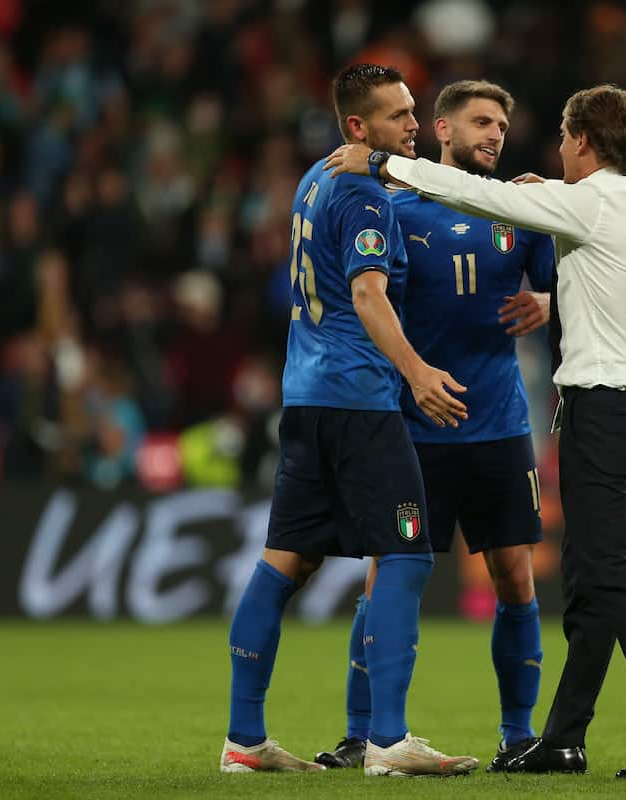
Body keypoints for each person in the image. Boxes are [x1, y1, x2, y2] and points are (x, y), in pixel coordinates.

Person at [326, 83, 626, 782]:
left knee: (607, 575)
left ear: (580, 141)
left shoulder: (576, 201)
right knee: (589, 586)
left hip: (599, 413)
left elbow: (492, 201)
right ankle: (564, 735)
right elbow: (603, 274)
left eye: (560, 137)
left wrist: (385, 165)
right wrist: (552, 295)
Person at [220, 63, 478, 778]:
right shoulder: (364, 193)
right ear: (359, 127)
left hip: (304, 400)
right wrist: (417, 372)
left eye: (413, 111)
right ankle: (388, 742)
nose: (414, 125)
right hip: (358, 401)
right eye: (398, 116)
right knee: (406, 553)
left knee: (284, 563)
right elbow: (368, 296)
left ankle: (244, 740)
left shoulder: (315, 179)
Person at [314, 80, 554, 772]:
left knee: (515, 575)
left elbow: (560, 277)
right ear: (442, 131)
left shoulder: (519, 209)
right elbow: (362, 296)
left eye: (503, 125)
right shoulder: (389, 206)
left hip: (500, 424)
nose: (496, 134)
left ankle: (517, 734)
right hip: (413, 427)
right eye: (481, 121)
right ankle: (365, 733)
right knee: (387, 578)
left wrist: (544, 295)